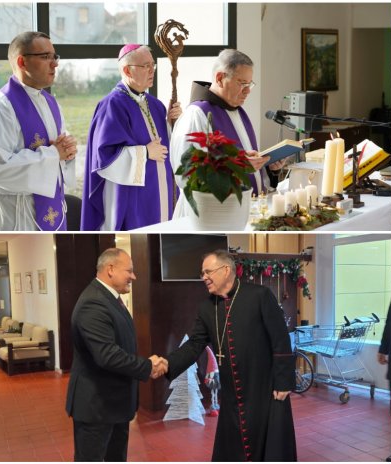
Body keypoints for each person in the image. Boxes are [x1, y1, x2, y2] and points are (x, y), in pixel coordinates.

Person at [162, 250, 297, 461]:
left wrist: (283, 381)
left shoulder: (259, 295)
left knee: (269, 447)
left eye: (208, 272)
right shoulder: (207, 307)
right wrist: (166, 364)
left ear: (226, 270)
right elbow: (195, 345)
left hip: (265, 388)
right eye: (202, 273)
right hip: (233, 393)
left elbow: (280, 339)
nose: (203, 277)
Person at [65, 248, 167, 461]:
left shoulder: (110, 299)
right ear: (110, 269)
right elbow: (107, 355)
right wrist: (147, 367)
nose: (134, 276)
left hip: (115, 404)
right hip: (97, 407)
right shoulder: (93, 303)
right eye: (129, 271)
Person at [170, 49, 284, 219]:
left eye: (250, 84)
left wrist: (268, 167)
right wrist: (237, 166)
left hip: (243, 210)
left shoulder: (238, 112)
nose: (248, 91)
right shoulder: (196, 115)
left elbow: (246, 165)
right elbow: (187, 175)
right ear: (219, 78)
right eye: (242, 83)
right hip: (209, 215)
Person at [0, 31, 77, 231]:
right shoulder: (1, 106)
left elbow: (59, 152)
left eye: (54, 56)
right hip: (16, 215)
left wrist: (67, 151)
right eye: (45, 57)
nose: (55, 64)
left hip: (50, 208)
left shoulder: (50, 102)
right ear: (22, 62)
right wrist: (54, 154)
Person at [82, 44, 181, 231]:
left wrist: (171, 123)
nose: (152, 70)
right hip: (132, 196)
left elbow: (164, 146)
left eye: (153, 65)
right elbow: (105, 157)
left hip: (159, 191)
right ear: (127, 70)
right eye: (146, 66)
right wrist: (144, 153)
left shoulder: (156, 105)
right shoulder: (112, 105)